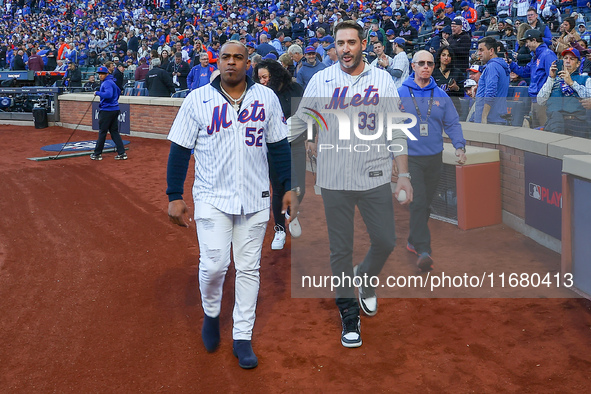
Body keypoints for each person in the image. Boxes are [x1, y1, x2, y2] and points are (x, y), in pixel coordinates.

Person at [166, 40, 293, 369]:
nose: (232, 63)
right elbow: (180, 150)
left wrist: (289, 187)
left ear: (248, 62)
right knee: (215, 266)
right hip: (211, 197)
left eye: (238, 57)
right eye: (226, 57)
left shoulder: (266, 98)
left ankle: (242, 336)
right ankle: (211, 313)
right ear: (217, 62)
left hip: (255, 197)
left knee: (249, 269)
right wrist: (174, 195)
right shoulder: (198, 99)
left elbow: (279, 146)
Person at [290, 20, 413, 348]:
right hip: (334, 179)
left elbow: (396, 129)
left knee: (386, 240)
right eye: (340, 43)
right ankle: (349, 315)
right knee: (340, 250)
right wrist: (263, 142)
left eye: (351, 43)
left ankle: (366, 278)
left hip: (373, 175)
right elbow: (300, 122)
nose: (345, 48)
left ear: (363, 44)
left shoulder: (383, 79)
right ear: (335, 46)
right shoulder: (321, 79)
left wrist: (404, 174)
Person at [398, 50, 467, 270]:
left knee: (426, 203)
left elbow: (453, 123)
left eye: (430, 63)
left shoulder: (440, 95)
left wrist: (459, 146)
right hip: (411, 158)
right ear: (413, 66)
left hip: (434, 158)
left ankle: (412, 240)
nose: (426, 67)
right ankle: (423, 249)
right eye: (421, 63)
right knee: (418, 202)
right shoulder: (399, 92)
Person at [253, 59, 305, 250]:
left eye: (265, 77)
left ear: (275, 74)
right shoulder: (260, 95)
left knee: (300, 188)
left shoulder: (296, 89)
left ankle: (292, 213)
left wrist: (312, 139)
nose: (262, 81)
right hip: (274, 148)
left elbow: (308, 116)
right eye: (259, 78)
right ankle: (279, 229)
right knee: (278, 189)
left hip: (297, 144)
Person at [537, 47, 591, 137]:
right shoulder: (554, 79)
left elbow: (589, 97)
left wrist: (572, 83)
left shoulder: (585, 79)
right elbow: (540, 101)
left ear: (578, 64)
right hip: (554, 123)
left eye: (572, 59)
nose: (567, 61)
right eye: (565, 58)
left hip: (576, 125)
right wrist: (551, 78)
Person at [509, 29, 557, 128]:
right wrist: (511, 64)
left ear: (534, 40)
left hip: (544, 100)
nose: (526, 45)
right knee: (536, 130)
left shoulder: (547, 54)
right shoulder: (535, 56)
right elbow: (525, 72)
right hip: (534, 100)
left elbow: (553, 77)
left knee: (545, 129)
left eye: (527, 42)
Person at [90, 66, 127, 161]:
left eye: (102, 74)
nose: (100, 76)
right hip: (114, 109)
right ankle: (122, 153)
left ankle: (97, 154)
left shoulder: (107, 83)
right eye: (99, 74)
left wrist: (97, 93)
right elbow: (118, 92)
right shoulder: (112, 81)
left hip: (107, 110)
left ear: (107, 74)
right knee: (114, 132)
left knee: (102, 132)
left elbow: (108, 94)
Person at [473, 37, 510, 124]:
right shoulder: (499, 65)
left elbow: (490, 92)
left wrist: (484, 117)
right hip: (497, 116)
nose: (478, 53)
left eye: (481, 50)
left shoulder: (492, 66)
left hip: (490, 119)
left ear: (491, 51)